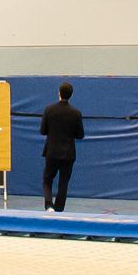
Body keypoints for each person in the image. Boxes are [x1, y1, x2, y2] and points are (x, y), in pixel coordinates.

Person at [38, 82, 84, 213]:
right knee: (63, 183)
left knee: (47, 179)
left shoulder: (49, 110)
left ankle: (49, 206)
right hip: (68, 154)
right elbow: (80, 135)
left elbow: (43, 131)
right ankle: (59, 209)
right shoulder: (76, 113)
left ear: (59, 93)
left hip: (51, 152)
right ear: (71, 95)